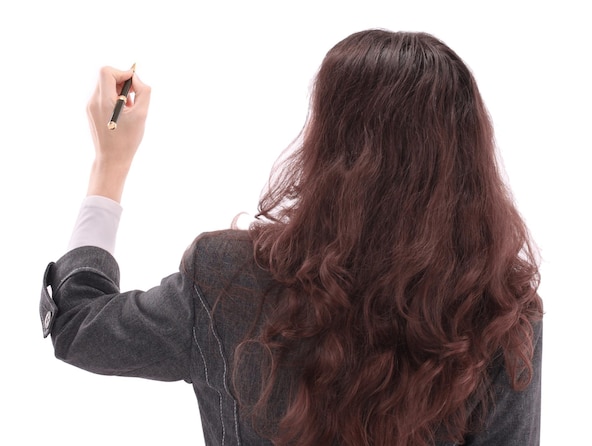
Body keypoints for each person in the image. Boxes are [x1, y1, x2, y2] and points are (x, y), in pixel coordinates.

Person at [39, 29, 544, 446]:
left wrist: (111, 161)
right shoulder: (503, 309)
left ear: (330, 144)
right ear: (466, 159)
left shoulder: (226, 279)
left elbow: (79, 325)